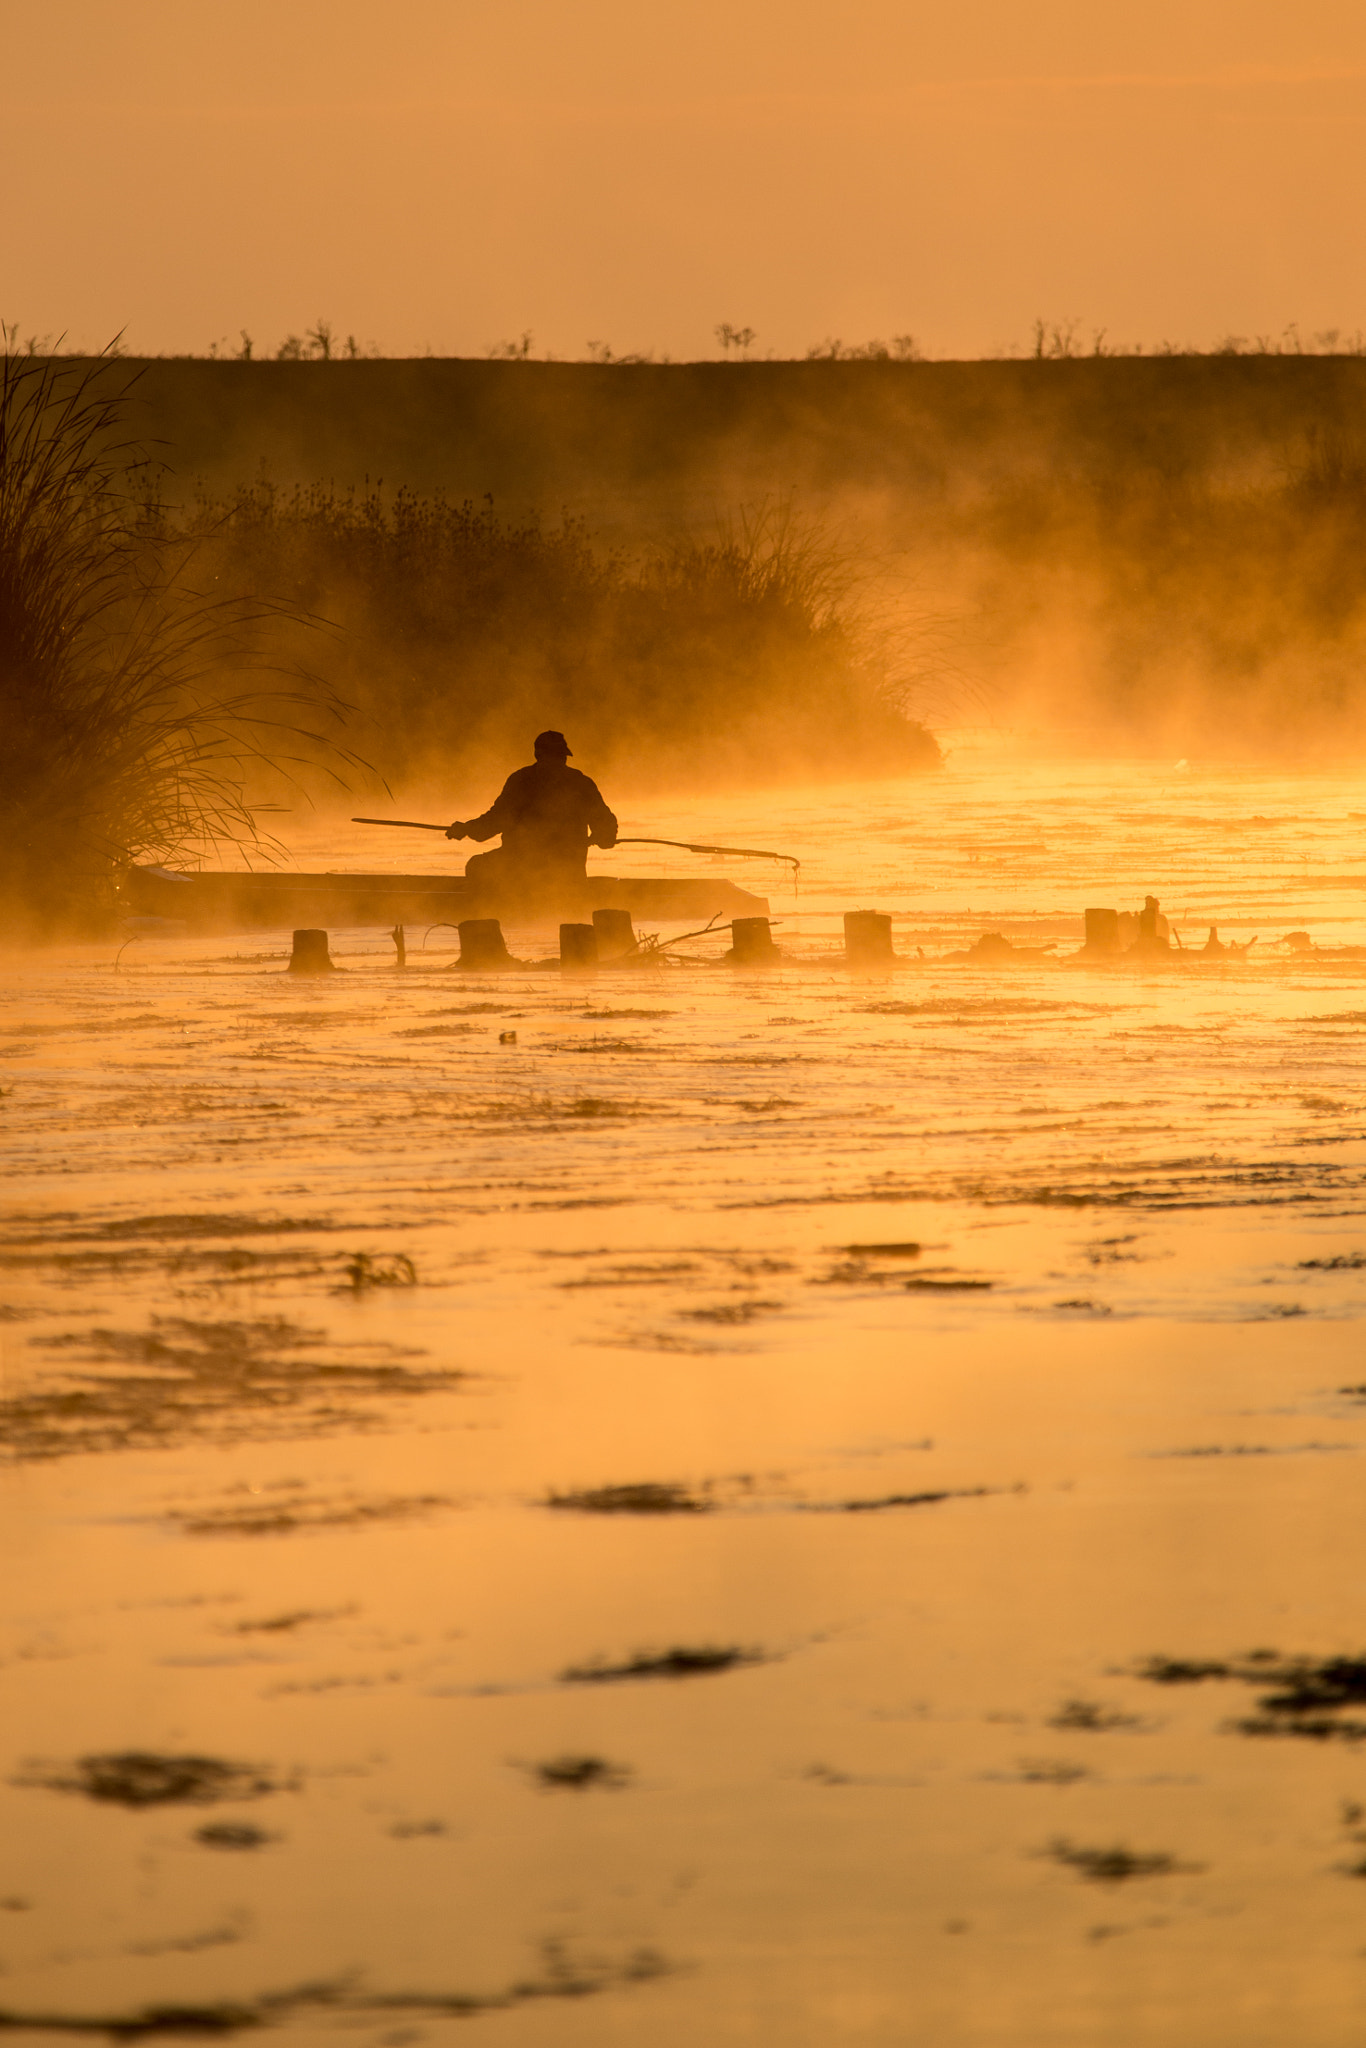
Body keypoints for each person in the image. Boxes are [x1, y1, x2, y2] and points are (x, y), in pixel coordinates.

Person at [445, 731, 618, 902]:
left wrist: (466, 829)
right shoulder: (581, 783)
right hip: (569, 874)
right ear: (540, 756)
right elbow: (606, 826)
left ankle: (491, 911)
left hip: (522, 870)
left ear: (537, 754)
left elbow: (494, 822)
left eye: (560, 756)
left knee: (477, 867)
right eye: (557, 756)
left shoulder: (522, 780)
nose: (559, 761)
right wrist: (604, 837)